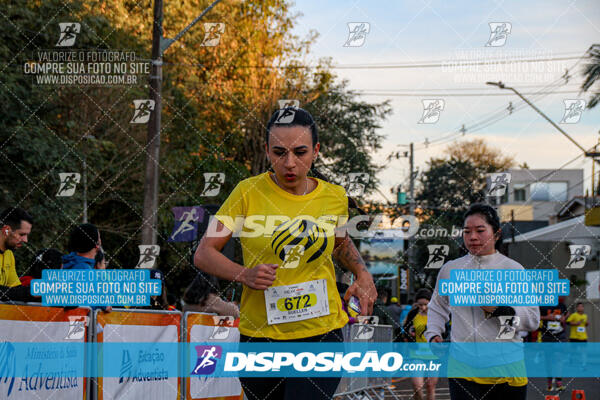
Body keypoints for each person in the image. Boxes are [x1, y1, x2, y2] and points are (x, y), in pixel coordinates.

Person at [194, 107, 377, 400]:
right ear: (267, 150)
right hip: (260, 337)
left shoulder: (334, 197)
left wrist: (362, 272)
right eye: (279, 152)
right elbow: (204, 252)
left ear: (316, 151)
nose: (289, 163)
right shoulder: (247, 192)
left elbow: (340, 244)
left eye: (300, 152)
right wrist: (244, 274)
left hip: (321, 332)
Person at [425, 203, 540, 400]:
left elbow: (532, 319)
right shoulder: (450, 270)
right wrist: (434, 333)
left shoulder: (513, 270)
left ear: (496, 234)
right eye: (467, 232)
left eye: (480, 230)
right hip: (462, 368)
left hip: (507, 369)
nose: (473, 237)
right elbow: (437, 306)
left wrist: (500, 309)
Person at [403, 289, 438, 400]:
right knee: (417, 386)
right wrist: (409, 334)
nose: (423, 307)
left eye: (425, 304)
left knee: (430, 386)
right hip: (417, 354)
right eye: (420, 305)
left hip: (434, 355)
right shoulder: (413, 314)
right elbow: (405, 330)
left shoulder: (436, 314)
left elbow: (446, 329)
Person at [539, 296, 569, 391]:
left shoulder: (561, 305)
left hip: (560, 335)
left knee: (559, 358)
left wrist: (564, 317)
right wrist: (546, 317)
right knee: (549, 359)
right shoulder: (543, 306)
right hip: (547, 336)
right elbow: (536, 316)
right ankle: (550, 382)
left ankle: (559, 382)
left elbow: (567, 312)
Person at [0, 207, 33, 288]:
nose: (25, 240)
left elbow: (15, 288)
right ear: (6, 230)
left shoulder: (9, 254)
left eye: (27, 235)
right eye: (22, 234)